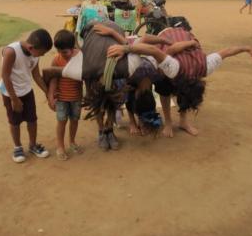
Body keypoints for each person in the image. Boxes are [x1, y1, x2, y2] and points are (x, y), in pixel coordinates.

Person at [43, 21, 177, 150]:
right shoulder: (86, 69)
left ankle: (109, 130)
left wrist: (114, 35)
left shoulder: (125, 68)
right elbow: (48, 72)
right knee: (97, 102)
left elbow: (131, 43)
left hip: (112, 35)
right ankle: (102, 131)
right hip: (93, 39)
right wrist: (49, 93)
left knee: (112, 104)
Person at [148, 27, 252, 138]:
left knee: (187, 95)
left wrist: (247, 48)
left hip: (184, 44)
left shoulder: (206, 66)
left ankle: (183, 121)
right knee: (163, 87)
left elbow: (227, 52)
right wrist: (190, 43)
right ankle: (168, 122)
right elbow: (170, 50)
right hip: (167, 37)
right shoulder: (172, 68)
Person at [0, 29, 53, 163]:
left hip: (26, 91)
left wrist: (47, 92)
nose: (43, 55)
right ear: (31, 47)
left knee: (32, 119)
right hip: (10, 92)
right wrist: (14, 100)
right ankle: (17, 147)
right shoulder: (11, 52)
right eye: (42, 53)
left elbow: (36, 75)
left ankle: (33, 145)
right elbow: (5, 76)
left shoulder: (35, 55)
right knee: (15, 121)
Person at [48, 30, 83, 161]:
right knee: (61, 121)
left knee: (74, 120)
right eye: (59, 51)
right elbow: (53, 79)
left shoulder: (80, 57)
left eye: (64, 52)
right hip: (62, 98)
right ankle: (60, 146)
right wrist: (51, 95)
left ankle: (72, 142)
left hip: (76, 97)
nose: (61, 55)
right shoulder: (57, 60)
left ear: (72, 47)